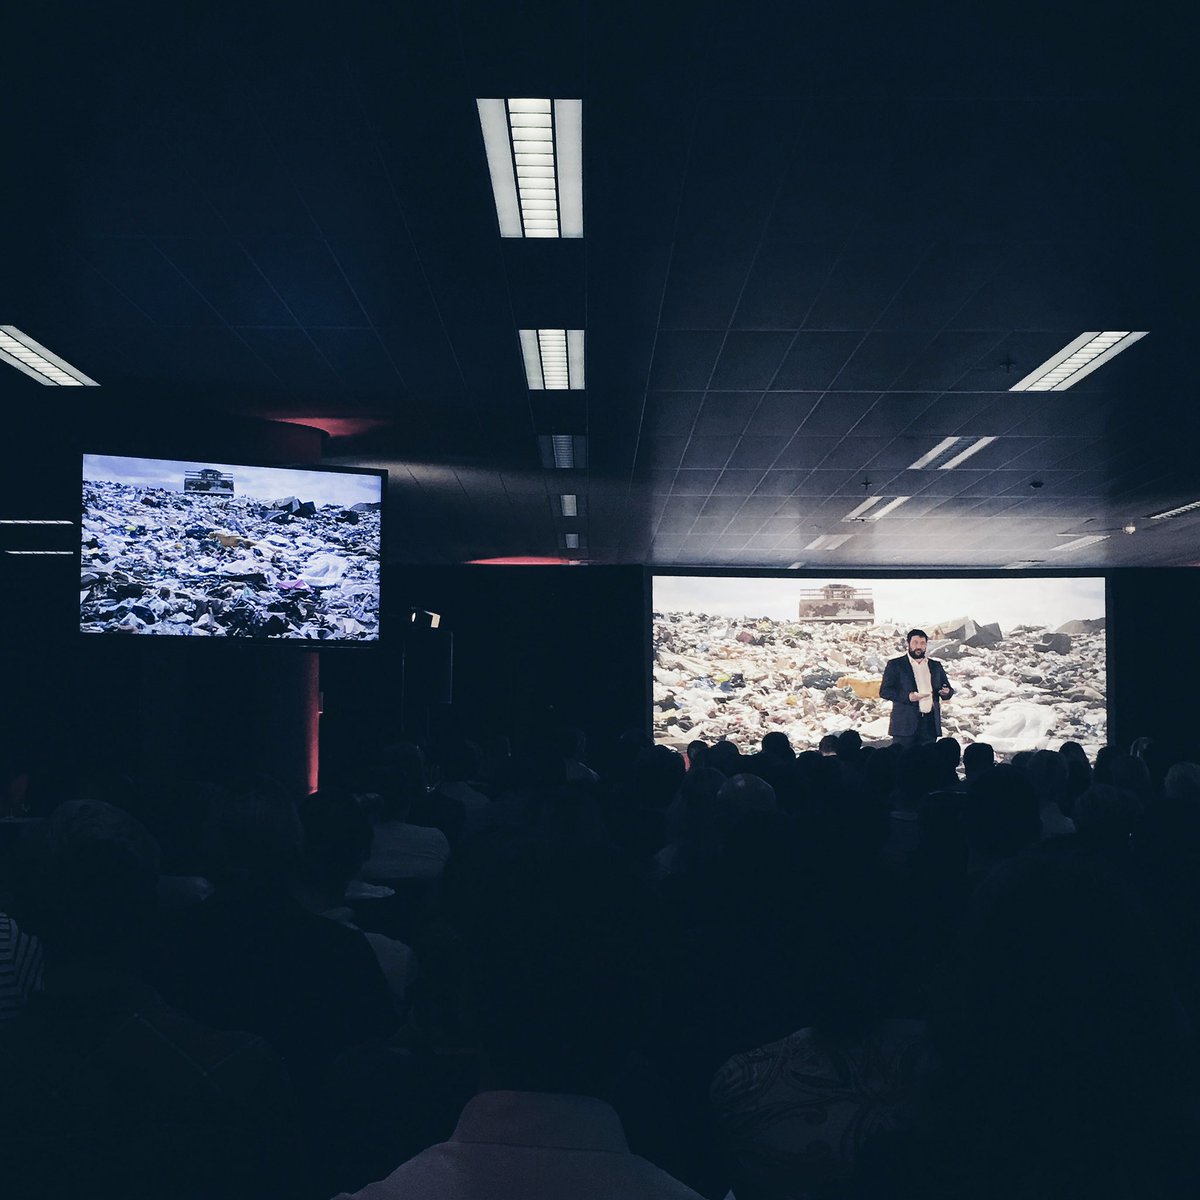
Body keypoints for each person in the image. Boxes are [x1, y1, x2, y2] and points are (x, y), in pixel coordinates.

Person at [879, 629, 954, 748]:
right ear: (908, 644)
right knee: (903, 761)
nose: (919, 646)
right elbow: (885, 691)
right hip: (905, 725)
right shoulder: (896, 665)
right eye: (915, 643)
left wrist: (946, 692)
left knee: (926, 762)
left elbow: (948, 690)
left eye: (922, 643)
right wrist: (908, 696)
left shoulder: (935, 666)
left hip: (929, 725)